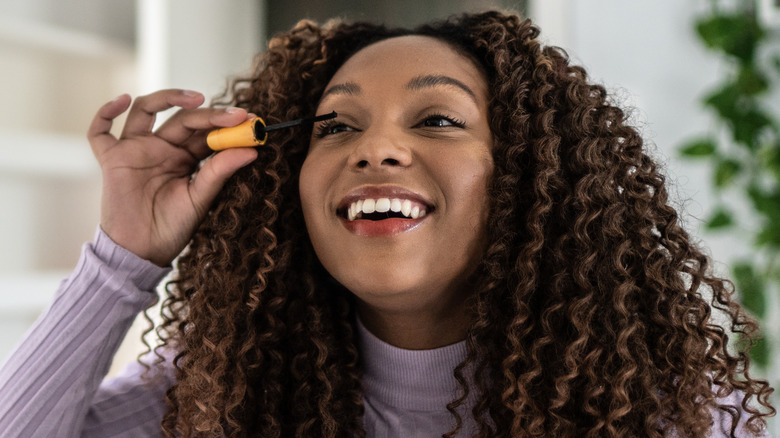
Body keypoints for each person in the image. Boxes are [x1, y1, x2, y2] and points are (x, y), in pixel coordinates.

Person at [0, 10, 775, 438]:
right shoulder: (213, 396)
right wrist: (122, 256)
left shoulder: (685, 420)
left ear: (531, 181)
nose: (374, 149)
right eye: (334, 127)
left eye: (437, 118)